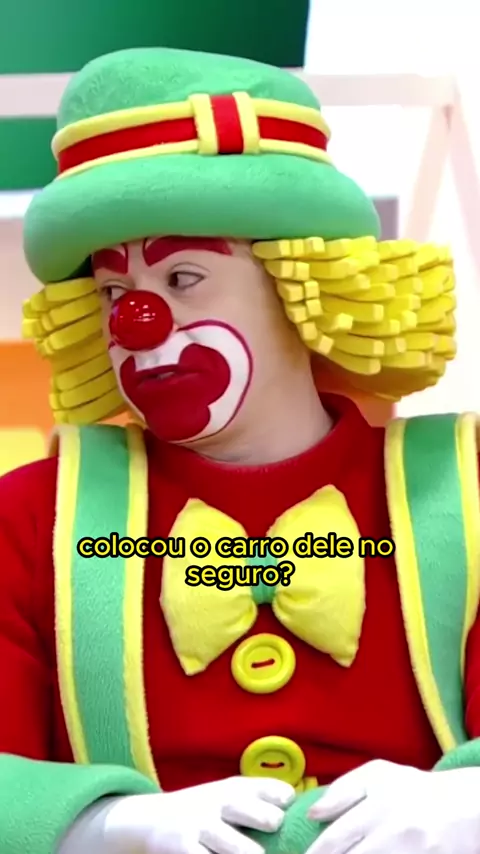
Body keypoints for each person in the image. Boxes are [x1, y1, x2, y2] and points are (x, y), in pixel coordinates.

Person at [1, 45, 480, 854]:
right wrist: (102, 824)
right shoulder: (28, 518)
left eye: (183, 279)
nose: (137, 323)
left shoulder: (464, 492)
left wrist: (469, 802)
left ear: (301, 285)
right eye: (116, 291)